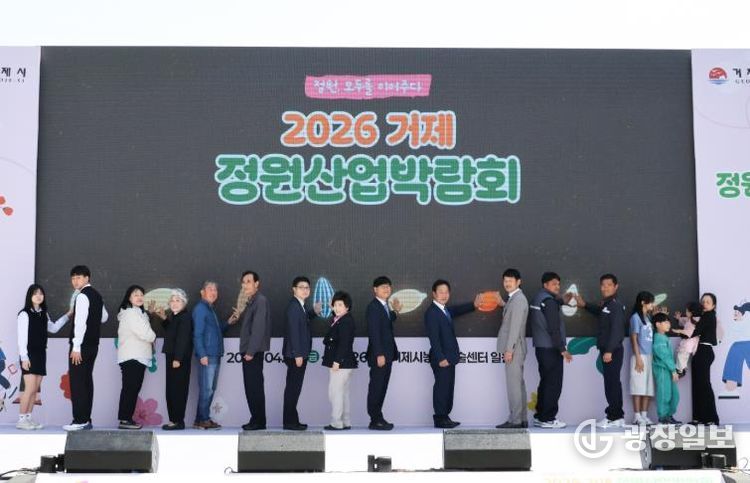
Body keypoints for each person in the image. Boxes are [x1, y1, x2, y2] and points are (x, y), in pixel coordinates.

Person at [424, 279, 483, 429]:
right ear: (434, 294)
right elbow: (433, 338)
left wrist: (473, 305)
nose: (444, 295)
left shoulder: (444, 310)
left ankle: (445, 416)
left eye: (446, 292)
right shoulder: (432, 313)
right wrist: (441, 358)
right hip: (442, 359)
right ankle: (439, 418)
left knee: (448, 388)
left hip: (450, 358)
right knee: (442, 388)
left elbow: (456, 310)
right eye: (441, 292)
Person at [571, 273, 626, 428]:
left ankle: (614, 417)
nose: (605, 288)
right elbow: (600, 311)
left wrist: (609, 350)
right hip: (608, 350)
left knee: (612, 384)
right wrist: (584, 305)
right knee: (611, 383)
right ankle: (616, 416)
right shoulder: (607, 305)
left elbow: (617, 331)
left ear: (616, 287)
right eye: (603, 285)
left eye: (609, 285)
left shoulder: (615, 305)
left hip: (612, 351)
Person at [16, 284, 71, 430]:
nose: (38, 296)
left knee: (35, 390)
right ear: (30, 296)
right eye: (35, 293)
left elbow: (53, 328)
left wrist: (68, 315)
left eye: (41, 293)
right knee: (29, 388)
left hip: (41, 354)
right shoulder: (24, 314)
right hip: (29, 355)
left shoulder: (43, 313)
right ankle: (21, 420)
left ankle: (28, 418)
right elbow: (21, 338)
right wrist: (24, 357)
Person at [64, 265, 109, 432]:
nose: (75, 281)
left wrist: (76, 346)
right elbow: (104, 317)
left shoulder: (82, 296)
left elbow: (80, 323)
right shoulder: (96, 295)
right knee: (86, 382)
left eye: (79, 277)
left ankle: (80, 420)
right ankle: (86, 419)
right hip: (93, 345)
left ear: (87, 278)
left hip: (81, 347)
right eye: (73, 278)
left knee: (78, 383)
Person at [192, 280, 239, 429]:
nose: (213, 292)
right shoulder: (201, 309)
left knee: (210, 389)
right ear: (202, 292)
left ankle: (200, 419)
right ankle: (203, 419)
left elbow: (215, 331)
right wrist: (202, 354)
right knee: (207, 389)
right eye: (210, 289)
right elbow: (197, 334)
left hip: (214, 354)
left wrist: (228, 323)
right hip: (208, 355)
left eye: (215, 290)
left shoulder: (210, 309)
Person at [529, 272, 572, 429]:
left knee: (546, 382)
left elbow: (548, 307)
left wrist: (560, 301)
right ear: (545, 285)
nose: (557, 286)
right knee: (553, 384)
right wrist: (562, 349)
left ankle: (540, 416)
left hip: (542, 348)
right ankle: (548, 418)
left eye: (558, 284)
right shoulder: (550, 302)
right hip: (552, 349)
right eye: (554, 284)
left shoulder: (538, 298)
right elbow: (554, 328)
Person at [150, 288, 193, 430]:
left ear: (184, 303)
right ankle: (174, 420)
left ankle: (178, 421)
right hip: (172, 357)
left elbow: (183, 339)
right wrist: (164, 318)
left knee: (178, 390)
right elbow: (172, 331)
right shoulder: (176, 316)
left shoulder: (185, 317)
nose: (174, 303)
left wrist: (178, 359)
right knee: (171, 389)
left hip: (178, 359)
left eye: (177, 300)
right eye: (172, 301)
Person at [282, 276, 321, 431]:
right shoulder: (294, 307)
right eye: (301, 287)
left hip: (298, 354)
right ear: (294, 289)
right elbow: (293, 331)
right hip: (295, 355)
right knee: (293, 389)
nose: (305, 290)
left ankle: (292, 420)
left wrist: (314, 312)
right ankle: (290, 422)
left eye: (307, 288)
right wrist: (297, 354)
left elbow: (302, 320)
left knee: (294, 389)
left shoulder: (300, 306)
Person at [116, 285, 157, 430]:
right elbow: (146, 333)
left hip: (137, 357)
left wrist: (149, 314)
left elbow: (143, 325)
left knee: (132, 389)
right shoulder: (130, 313)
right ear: (129, 298)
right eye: (135, 295)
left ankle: (126, 419)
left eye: (141, 295)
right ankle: (124, 419)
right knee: (130, 389)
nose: (139, 297)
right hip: (133, 357)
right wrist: (153, 336)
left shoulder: (138, 313)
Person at [366, 276, 402, 431]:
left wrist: (395, 312)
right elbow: (374, 332)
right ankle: (375, 419)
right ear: (375, 289)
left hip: (387, 355)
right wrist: (379, 354)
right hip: (379, 356)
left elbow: (386, 322)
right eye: (383, 287)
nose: (386, 289)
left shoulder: (384, 306)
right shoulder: (373, 307)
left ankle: (378, 418)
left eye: (388, 286)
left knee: (382, 387)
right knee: (377, 387)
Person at [237, 271, 272, 431]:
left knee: (254, 387)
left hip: (253, 352)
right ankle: (257, 419)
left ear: (257, 283)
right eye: (243, 282)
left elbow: (258, 328)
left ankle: (258, 421)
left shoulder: (260, 300)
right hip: (250, 351)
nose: (245, 285)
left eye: (249, 281)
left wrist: (250, 351)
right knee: (252, 387)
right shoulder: (252, 300)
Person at [496, 269, 530, 429]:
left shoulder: (518, 300)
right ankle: (521, 419)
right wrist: (503, 304)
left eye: (510, 280)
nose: (507, 283)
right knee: (518, 384)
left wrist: (509, 350)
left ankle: (515, 420)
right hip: (517, 348)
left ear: (518, 282)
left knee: (513, 386)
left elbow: (515, 327)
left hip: (514, 349)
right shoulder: (515, 299)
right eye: (505, 280)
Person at [322, 291, 358, 430]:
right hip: (344, 363)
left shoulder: (345, 321)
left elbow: (344, 343)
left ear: (347, 307)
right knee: (343, 393)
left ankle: (336, 422)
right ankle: (345, 421)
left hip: (340, 364)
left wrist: (337, 361)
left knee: (335, 393)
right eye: (335, 305)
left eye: (340, 305)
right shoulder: (340, 319)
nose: (336, 308)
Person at [688, 292, 720, 425]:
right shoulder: (703, 316)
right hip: (699, 351)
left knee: (704, 385)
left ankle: (711, 418)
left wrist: (680, 331)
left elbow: (695, 331)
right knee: (697, 384)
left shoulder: (709, 315)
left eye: (708, 302)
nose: (705, 304)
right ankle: (699, 418)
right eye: (703, 302)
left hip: (704, 351)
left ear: (714, 305)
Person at [629, 291, 655, 426]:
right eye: (651, 302)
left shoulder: (648, 317)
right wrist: (638, 357)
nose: (652, 305)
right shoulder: (635, 318)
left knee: (648, 387)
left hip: (649, 356)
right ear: (643, 302)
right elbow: (633, 338)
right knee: (638, 386)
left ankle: (644, 415)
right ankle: (637, 416)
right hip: (639, 356)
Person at [651, 312, 680, 425]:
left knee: (674, 394)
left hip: (669, 369)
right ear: (658, 324)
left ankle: (669, 415)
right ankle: (663, 417)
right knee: (664, 393)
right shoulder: (658, 338)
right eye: (666, 322)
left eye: (669, 322)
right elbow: (663, 355)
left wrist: (673, 370)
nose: (669, 324)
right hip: (663, 369)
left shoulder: (664, 337)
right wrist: (673, 370)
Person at [671, 302, 702, 378]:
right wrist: (679, 318)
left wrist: (679, 331)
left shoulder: (695, 320)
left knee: (681, 356)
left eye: (687, 311)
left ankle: (680, 371)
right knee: (683, 356)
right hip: (689, 343)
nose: (685, 313)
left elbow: (690, 332)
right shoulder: (691, 319)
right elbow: (684, 321)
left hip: (689, 343)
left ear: (692, 312)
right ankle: (682, 368)